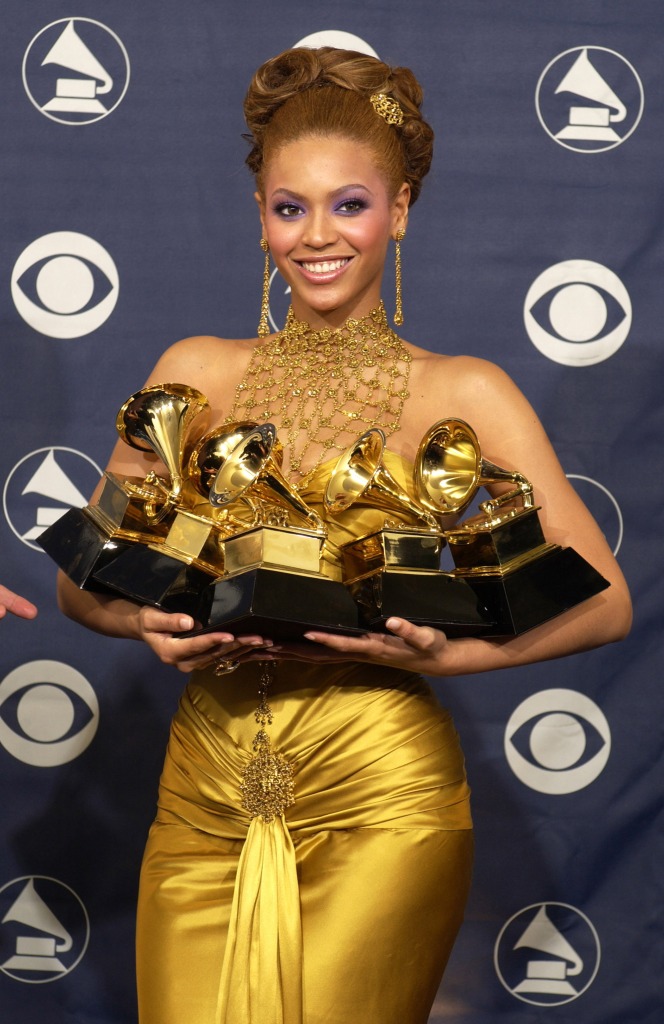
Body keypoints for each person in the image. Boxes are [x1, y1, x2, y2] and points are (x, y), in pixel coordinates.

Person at [56, 46, 631, 1024]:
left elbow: (605, 600)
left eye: (348, 204)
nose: (316, 235)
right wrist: (142, 626)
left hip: (380, 795)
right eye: (291, 207)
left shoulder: (464, 390)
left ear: (399, 209)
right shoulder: (192, 370)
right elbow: (86, 583)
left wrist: (448, 655)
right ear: (261, 217)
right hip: (202, 791)